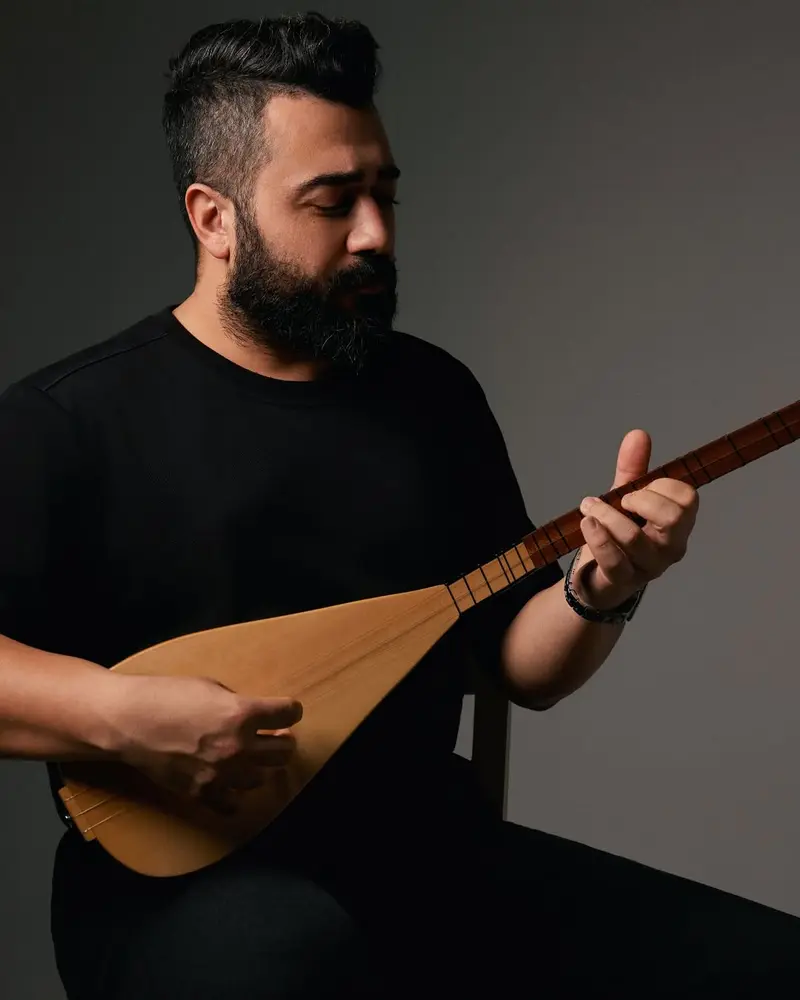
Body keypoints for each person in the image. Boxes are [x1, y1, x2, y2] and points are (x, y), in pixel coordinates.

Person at [1, 12, 798, 999]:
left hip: (425, 856)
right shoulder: (70, 420)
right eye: (333, 201)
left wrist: (602, 589)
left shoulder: (431, 394)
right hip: (174, 882)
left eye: (383, 193)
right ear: (213, 219)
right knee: (286, 961)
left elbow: (519, 665)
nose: (375, 233)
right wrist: (119, 717)